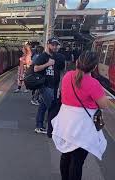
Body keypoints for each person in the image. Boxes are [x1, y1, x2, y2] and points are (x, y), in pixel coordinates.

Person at [51, 51, 110, 180]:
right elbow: (104, 105)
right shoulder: (94, 84)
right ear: (94, 67)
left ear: (77, 62)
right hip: (83, 126)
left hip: (66, 122)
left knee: (65, 155)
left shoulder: (67, 76)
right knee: (77, 161)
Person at [33, 37, 65, 134]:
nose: (55, 47)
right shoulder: (43, 57)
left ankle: (40, 126)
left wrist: (61, 86)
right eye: (53, 44)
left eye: (56, 45)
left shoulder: (59, 57)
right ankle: (51, 128)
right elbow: (36, 69)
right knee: (52, 107)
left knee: (43, 106)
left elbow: (61, 71)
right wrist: (48, 64)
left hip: (54, 86)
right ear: (48, 45)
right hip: (45, 86)